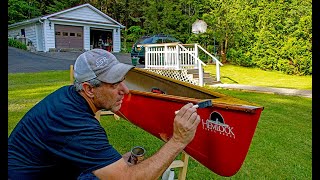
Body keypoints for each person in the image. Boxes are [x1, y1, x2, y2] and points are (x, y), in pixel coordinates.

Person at [8, 49, 201, 179]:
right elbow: (127, 178)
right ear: (89, 89)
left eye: (123, 81)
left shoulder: (69, 96)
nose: (125, 91)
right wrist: (178, 140)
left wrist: (113, 164)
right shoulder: (76, 124)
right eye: (114, 84)